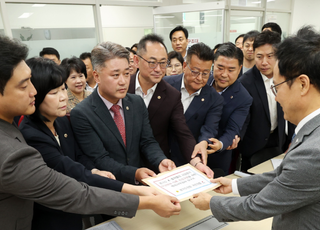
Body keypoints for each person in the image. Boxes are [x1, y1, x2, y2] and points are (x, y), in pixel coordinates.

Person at [0, 35, 180, 230]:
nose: (33, 91)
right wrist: (141, 197)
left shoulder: (60, 122)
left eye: (62, 89)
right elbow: (76, 186)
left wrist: (157, 161)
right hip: (64, 213)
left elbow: (80, 159)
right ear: (96, 75)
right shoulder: (20, 143)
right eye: (24, 84)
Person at [190, 25, 320, 230]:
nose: (276, 97)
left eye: (277, 86)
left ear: (302, 84)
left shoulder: (314, 152)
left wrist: (211, 203)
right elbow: (283, 176)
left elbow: (260, 205)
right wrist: (234, 185)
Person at [71, 41, 176, 184]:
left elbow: (147, 141)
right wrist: (135, 173)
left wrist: (160, 160)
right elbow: (100, 159)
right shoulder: (82, 113)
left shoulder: (136, 103)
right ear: (96, 76)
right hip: (109, 188)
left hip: (139, 187)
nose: (123, 81)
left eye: (127, 73)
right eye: (115, 75)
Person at [128, 34, 213, 177]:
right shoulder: (122, 88)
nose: (158, 69)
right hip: (123, 166)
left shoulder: (171, 95)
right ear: (137, 60)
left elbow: (183, 132)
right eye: (152, 62)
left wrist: (196, 162)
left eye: (163, 63)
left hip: (156, 166)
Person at [163, 43, 224, 171]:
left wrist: (204, 141)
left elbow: (210, 127)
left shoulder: (214, 98)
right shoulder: (166, 84)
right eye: (195, 72)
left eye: (205, 73)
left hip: (187, 158)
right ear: (185, 66)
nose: (200, 78)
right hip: (159, 155)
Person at [239, 30, 294, 171]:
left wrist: (292, 140)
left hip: (279, 140)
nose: (264, 62)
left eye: (270, 56)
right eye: (259, 56)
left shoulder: (287, 77)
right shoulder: (245, 83)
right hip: (253, 146)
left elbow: (292, 108)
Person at [207, 42, 253, 174]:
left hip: (217, 157)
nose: (224, 74)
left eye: (231, 70)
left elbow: (233, 129)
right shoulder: (202, 82)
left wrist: (220, 144)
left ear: (240, 69)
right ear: (213, 64)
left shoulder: (243, 97)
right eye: (220, 67)